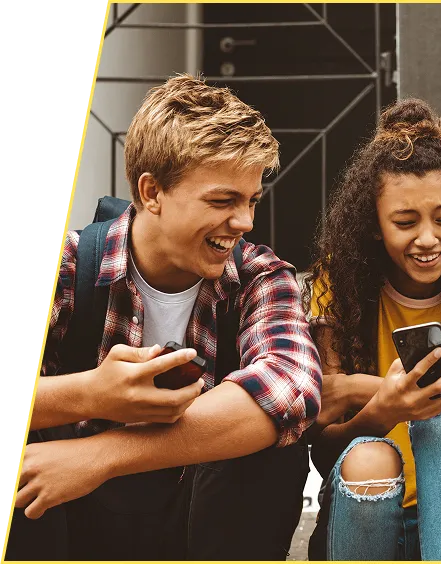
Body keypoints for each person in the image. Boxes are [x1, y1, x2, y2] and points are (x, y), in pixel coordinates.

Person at [7, 74, 322, 561]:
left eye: (251, 200)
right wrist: (90, 393)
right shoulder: (69, 269)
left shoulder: (261, 276)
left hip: (201, 525)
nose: (245, 223)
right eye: (223, 201)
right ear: (151, 192)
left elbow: (291, 390)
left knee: (274, 447)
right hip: (70, 526)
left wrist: (104, 455)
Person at [303, 98, 441, 560]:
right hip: (368, 512)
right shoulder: (336, 280)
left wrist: (361, 387)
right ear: (373, 223)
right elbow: (323, 438)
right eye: (405, 222)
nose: (428, 239)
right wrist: (383, 410)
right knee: (370, 454)